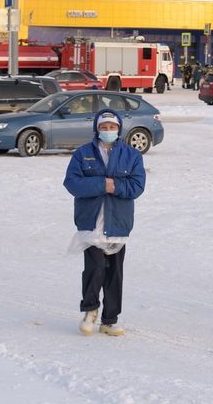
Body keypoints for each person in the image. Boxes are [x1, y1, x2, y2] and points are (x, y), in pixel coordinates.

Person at [63, 110, 146, 337]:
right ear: (97, 129)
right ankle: (90, 310)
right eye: (104, 127)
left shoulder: (132, 155)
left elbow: (137, 186)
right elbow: (72, 183)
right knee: (95, 268)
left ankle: (110, 320)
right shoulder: (83, 154)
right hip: (91, 222)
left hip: (117, 223)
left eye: (112, 127)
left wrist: (115, 186)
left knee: (114, 273)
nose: (108, 130)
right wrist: (103, 184)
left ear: (119, 129)